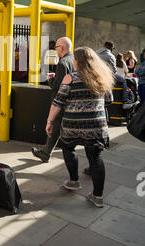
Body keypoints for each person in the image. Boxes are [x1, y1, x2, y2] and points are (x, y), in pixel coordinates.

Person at [46, 47, 114, 208]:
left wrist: (49, 121)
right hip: (95, 126)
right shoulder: (102, 77)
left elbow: (58, 101)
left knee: (68, 149)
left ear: (77, 62)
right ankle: (98, 196)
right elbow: (109, 100)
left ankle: (74, 181)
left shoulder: (70, 78)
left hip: (72, 125)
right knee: (95, 159)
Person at [32, 37, 74, 162]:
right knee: (57, 128)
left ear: (61, 48)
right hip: (72, 102)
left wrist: (50, 79)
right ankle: (46, 152)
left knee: (56, 126)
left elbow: (58, 86)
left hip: (61, 102)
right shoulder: (74, 60)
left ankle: (46, 152)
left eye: (56, 47)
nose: (55, 50)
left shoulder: (62, 63)